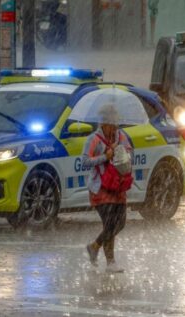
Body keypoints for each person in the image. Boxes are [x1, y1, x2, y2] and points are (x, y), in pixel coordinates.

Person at [82, 104, 133, 273]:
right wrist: (105, 156)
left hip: (118, 186)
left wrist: (119, 152)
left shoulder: (121, 137)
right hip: (100, 188)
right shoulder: (94, 139)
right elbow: (85, 161)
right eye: (111, 122)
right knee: (110, 223)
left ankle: (95, 246)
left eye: (116, 122)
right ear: (103, 123)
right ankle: (111, 262)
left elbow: (129, 153)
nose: (114, 126)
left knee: (120, 223)